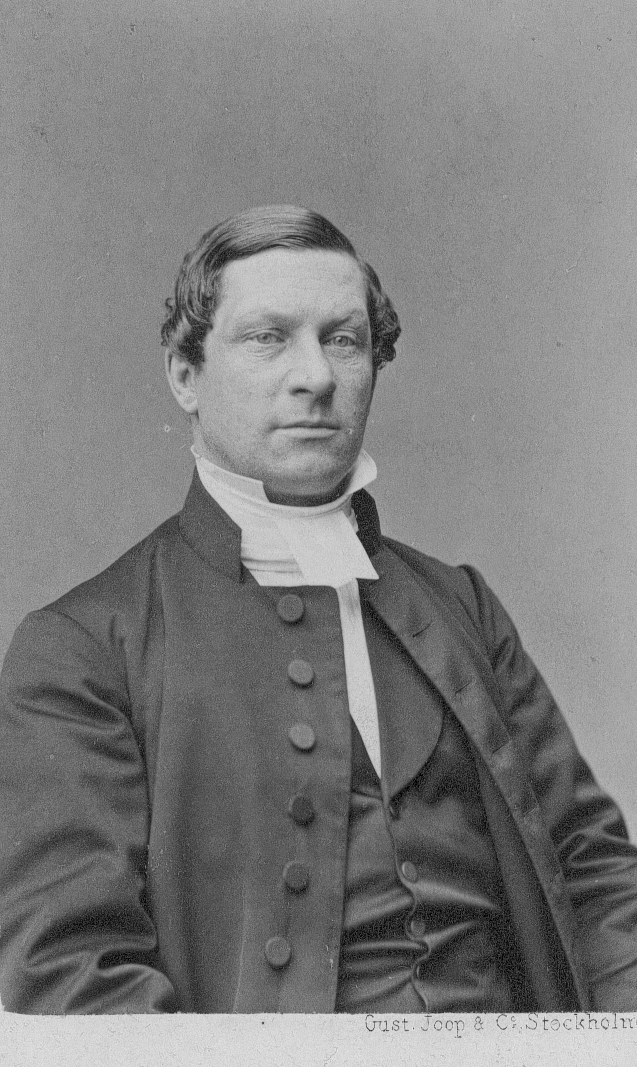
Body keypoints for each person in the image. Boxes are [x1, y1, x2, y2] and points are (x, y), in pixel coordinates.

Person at [1, 205, 637, 1015]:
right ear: (184, 375)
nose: (316, 376)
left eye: (342, 339)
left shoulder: (461, 606)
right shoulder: (85, 646)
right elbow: (69, 971)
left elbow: (594, 873)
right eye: (267, 337)